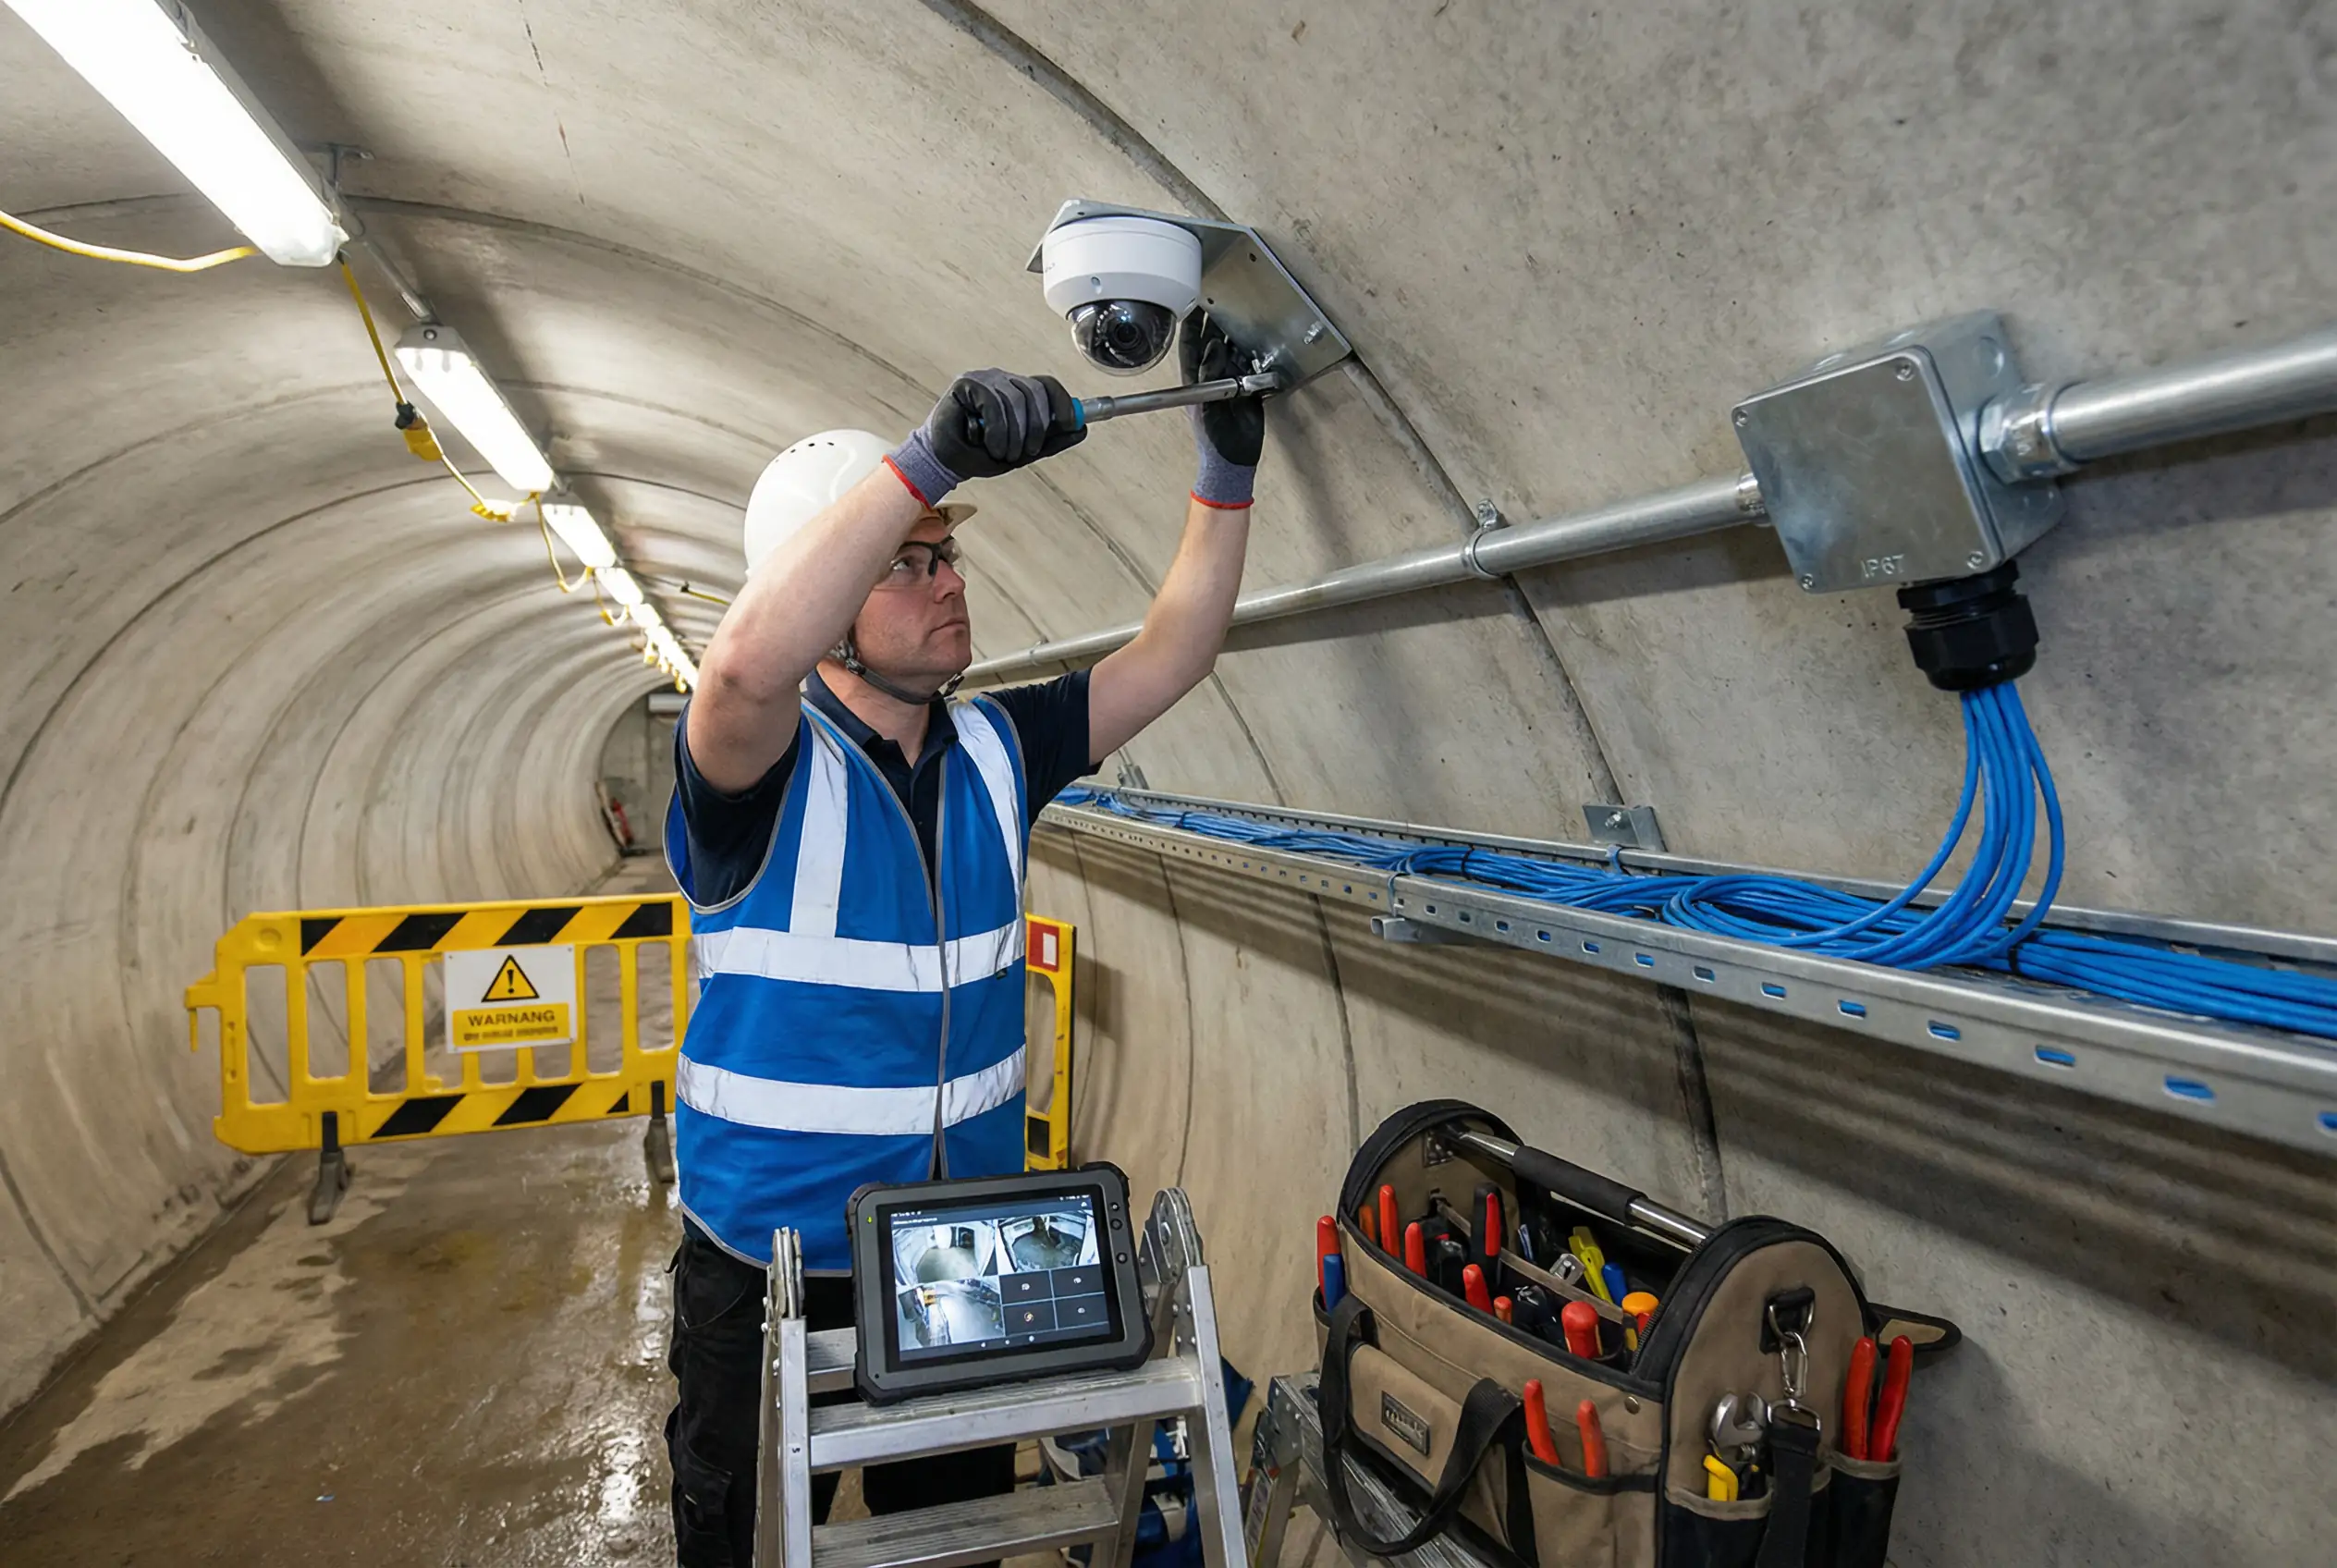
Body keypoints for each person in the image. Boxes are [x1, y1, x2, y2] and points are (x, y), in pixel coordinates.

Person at [663, 316, 1266, 1565]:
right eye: (909, 564)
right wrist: (923, 464)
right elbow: (735, 675)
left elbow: (1174, 652)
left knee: (952, 1535)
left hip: (954, 1252)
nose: (949, 583)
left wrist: (1225, 477)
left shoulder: (1001, 746)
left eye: (948, 560)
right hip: (768, 1259)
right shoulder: (758, 768)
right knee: (743, 1536)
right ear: (823, 607)